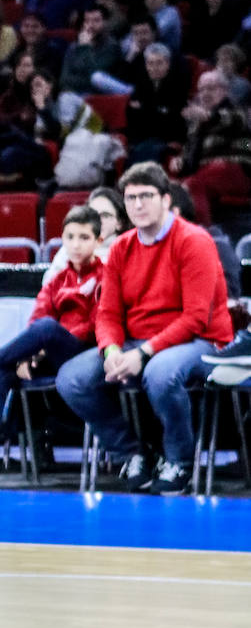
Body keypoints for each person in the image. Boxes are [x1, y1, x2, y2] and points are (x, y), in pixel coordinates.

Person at [54, 162, 232, 494]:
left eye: (146, 196)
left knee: (160, 373)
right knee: (71, 378)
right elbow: (107, 314)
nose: (137, 204)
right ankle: (132, 453)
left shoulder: (194, 240)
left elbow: (196, 318)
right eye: (131, 197)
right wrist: (111, 351)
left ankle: (179, 460)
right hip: (138, 340)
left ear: (166, 200)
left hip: (201, 340)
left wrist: (143, 353)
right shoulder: (121, 247)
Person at [0, 205, 105, 486]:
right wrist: (28, 355)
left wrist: (41, 347)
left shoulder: (105, 276)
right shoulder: (57, 280)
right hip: (48, 352)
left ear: (98, 241)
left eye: (84, 237)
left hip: (83, 354)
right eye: (70, 237)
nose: (75, 244)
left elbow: (95, 326)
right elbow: (38, 316)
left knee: (47, 329)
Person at [43, 187, 126, 280]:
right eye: (93, 214)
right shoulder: (70, 247)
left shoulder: (127, 251)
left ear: (120, 223)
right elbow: (49, 284)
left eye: (105, 215)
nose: (98, 220)